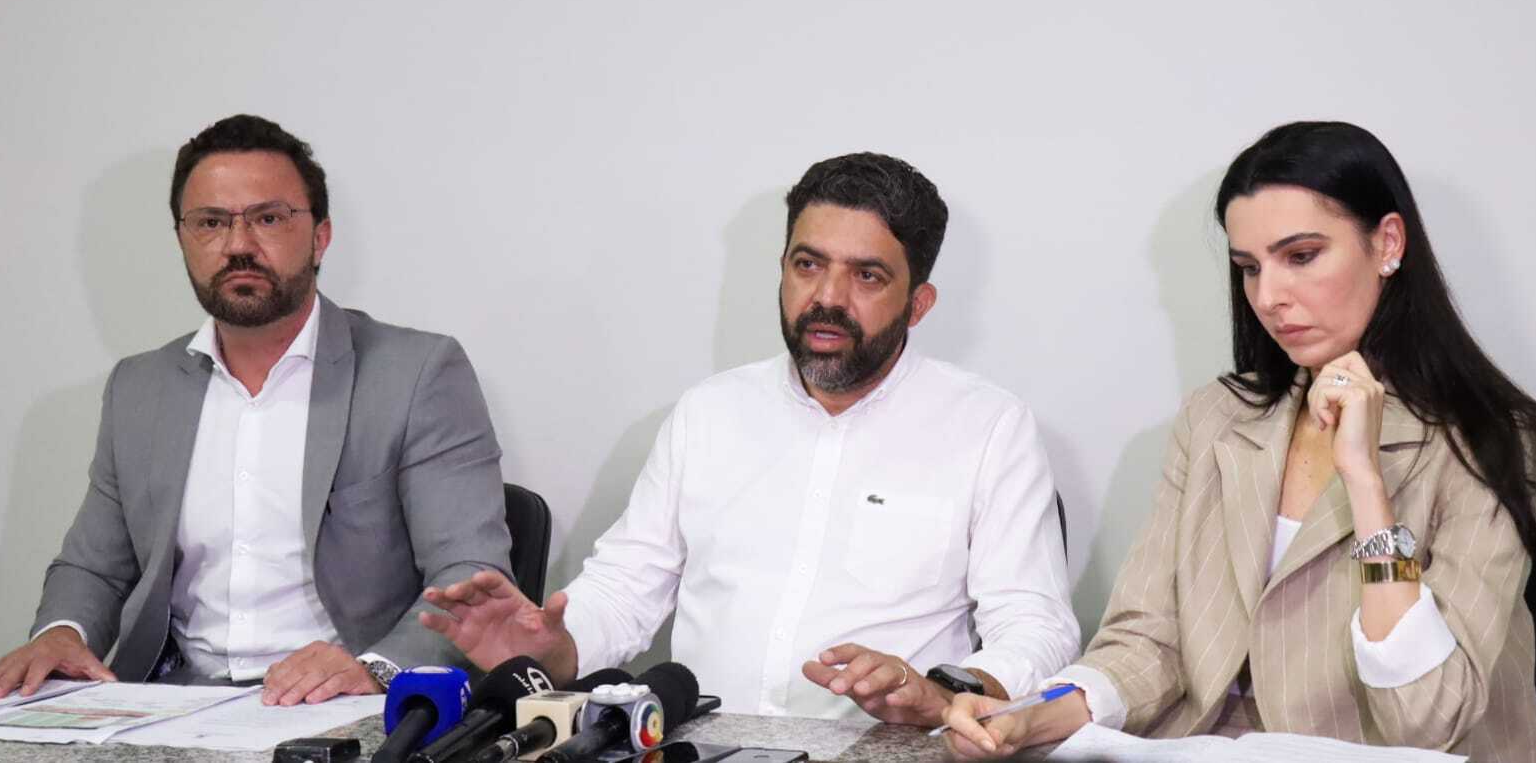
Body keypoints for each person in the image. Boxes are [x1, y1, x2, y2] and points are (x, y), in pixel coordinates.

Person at [943, 121, 1536, 761]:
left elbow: (1429, 716)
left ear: (1387, 243)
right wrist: (1031, 717)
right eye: (1248, 268)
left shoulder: (1497, 439)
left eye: (1302, 256)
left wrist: (1366, 483)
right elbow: (1148, 640)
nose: (1268, 297)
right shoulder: (1216, 418)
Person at [422, 153, 1080, 722]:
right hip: (705, 742)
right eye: (808, 264)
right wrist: (551, 648)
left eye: (867, 276)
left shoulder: (988, 427)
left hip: (885, 749)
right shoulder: (709, 413)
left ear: (919, 303)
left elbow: (1037, 627)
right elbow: (624, 590)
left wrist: (942, 694)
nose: (827, 297)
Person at [0, 115, 513, 706]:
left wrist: (375, 670)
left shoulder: (416, 373)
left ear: (320, 236)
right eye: (211, 222)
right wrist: (62, 634)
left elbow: (469, 575)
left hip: (344, 702)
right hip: (174, 706)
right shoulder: (139, 388)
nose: (238, 245)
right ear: (183, 238)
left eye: (268, 218)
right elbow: (94, 567)